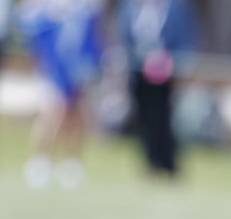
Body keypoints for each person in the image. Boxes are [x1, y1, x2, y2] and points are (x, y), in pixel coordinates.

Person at [17, 0, 103, 188]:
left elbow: (93, 40)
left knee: (75, 117)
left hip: (79, 70)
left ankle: (71, 163)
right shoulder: (46, 12)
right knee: (50, 114)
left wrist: (91, 65)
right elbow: (34, 38)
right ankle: (40, 162)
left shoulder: (85, 11)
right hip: (53, 70)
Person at [117, 0, 197, 178]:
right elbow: (124, 36)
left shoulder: (176, 7)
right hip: (138, 71)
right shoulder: (130, 7)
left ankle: (168, 162)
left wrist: (181, 63)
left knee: (164, 117)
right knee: (144, 118)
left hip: (166, 73)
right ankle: (150, 162)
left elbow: (185, 35)